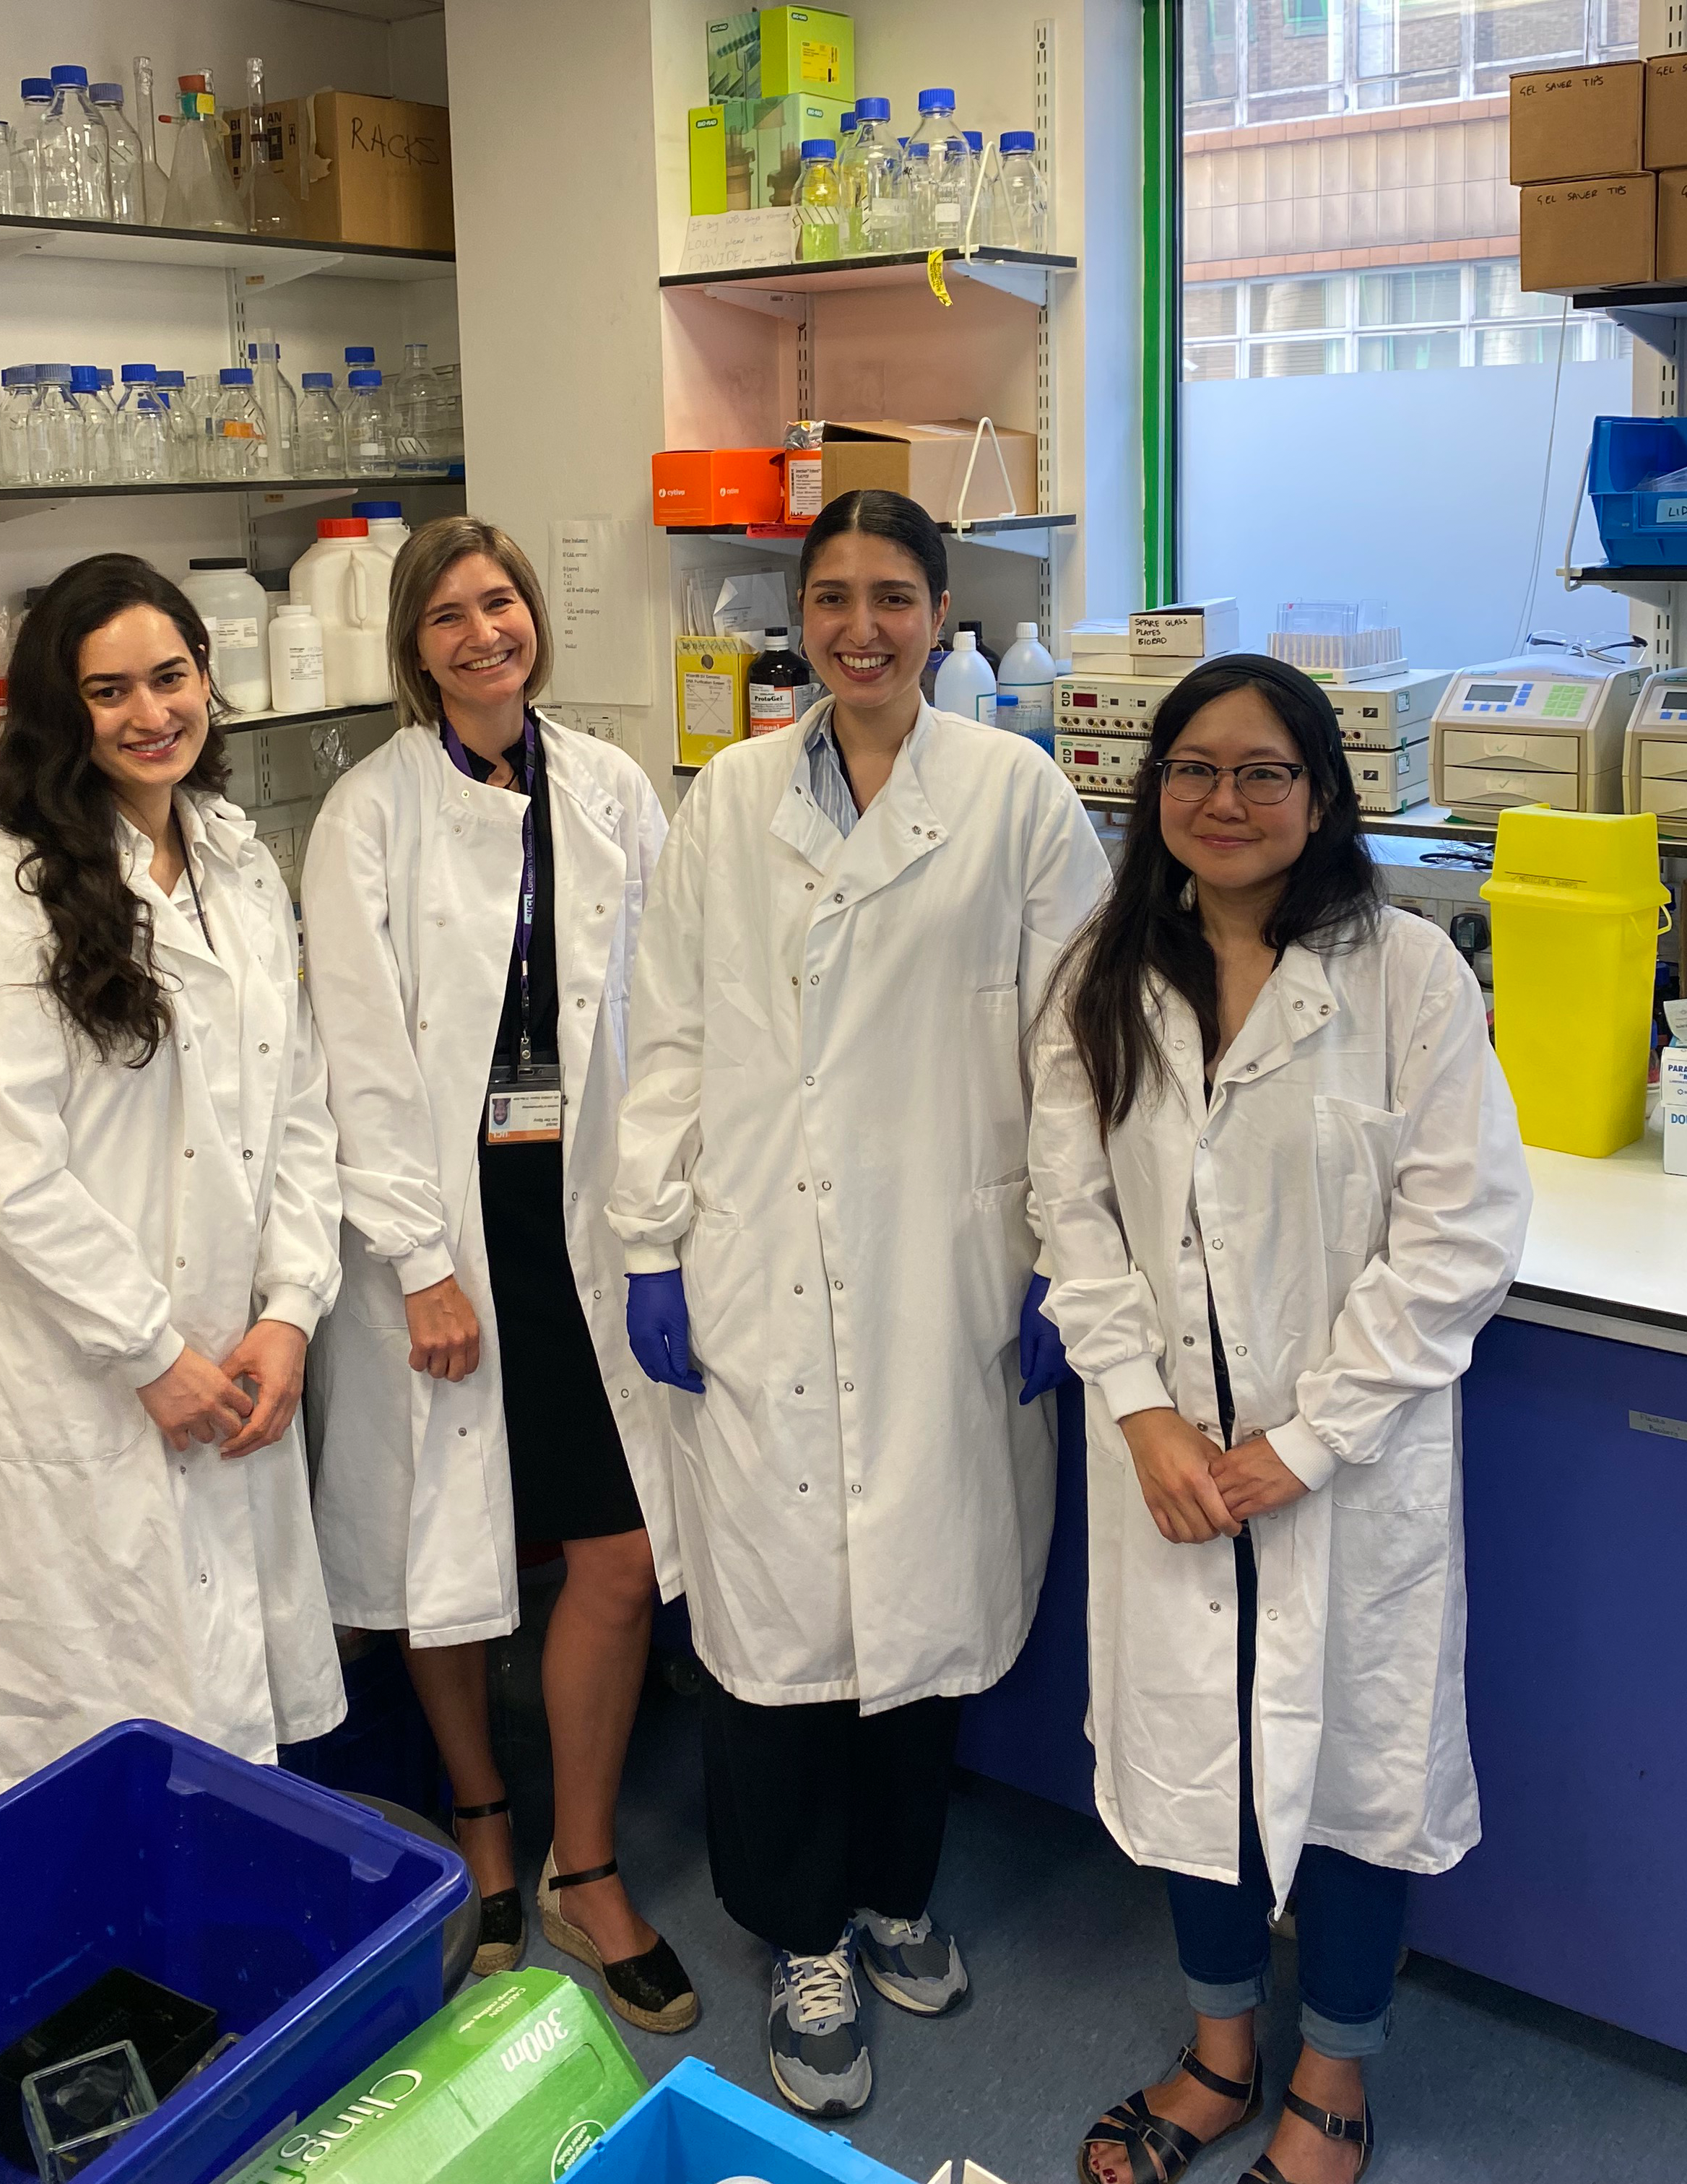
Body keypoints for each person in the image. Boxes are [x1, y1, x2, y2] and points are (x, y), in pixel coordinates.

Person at [612, 488, 1110, 2117]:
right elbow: (667, 1028)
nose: (861, 629)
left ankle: (897, 1889)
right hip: (761, 1256)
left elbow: (1073, 1048)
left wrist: (1063, 1253)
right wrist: (651, 1240)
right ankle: (800, 1936)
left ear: (941, 610)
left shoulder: (1018, 797)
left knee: (921, 1624)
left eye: (893, 596)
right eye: (832, 597)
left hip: (944, 1267)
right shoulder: (729, 799)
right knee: (771, 1640)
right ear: (799, 615)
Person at [1027, 656, 1530, 2184]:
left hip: (1342, 1467)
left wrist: (1305, 1443)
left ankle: (1335, 2074)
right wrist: (1142, 1415)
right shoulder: (1098, 978)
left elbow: (1462, 1232)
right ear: (1151, 789)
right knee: (1200, 1755)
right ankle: (1221, 2047)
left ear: (1321, 796)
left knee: (1359, 1760)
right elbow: (1073, 1216)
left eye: (1262, 773)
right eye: (1194, 769)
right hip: (1169, 1464)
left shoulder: (1406, 977)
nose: (1225, 801)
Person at [302, 515, 695, 2033]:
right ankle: (479, 1823)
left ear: (535, 619)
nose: (485, 632)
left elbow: (665, 1012)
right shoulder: (369, 815)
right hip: (446, 1233)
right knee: (441, 1556)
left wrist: (666, 1215)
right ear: (414, 649)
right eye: (451, 615)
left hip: (585, 1219)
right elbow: (365, 1058)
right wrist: (416, 1262)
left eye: (504, 602)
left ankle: (582, 1867)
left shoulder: (607, 788)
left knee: (615, 1551)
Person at [0, 553, 346, 1805]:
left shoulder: (239, 864)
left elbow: (294, 1108)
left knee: (226, 1738)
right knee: (94, 1758)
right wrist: (147, 1352)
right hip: (82, 1380)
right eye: (110, 693)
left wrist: (291, 1308)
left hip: (232, 1361)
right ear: (60, 712)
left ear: (208, 676)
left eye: (171, 677)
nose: (153, 714)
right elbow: (1, 1167)